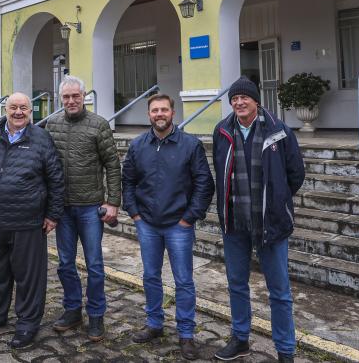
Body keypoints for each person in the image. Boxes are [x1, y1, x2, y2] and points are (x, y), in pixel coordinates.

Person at [211, 77, 305, 363]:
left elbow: (295, 174)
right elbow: (219, 170)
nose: (239, 102)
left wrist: (276, 202)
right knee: (236, 284)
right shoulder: (222, 130)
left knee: (279, 291)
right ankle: (240, 338)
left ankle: (285, 350)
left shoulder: (279, 131)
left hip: (271, 224)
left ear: (256, 101)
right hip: (235, 223)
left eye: (245, 98)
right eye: (235, 98)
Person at [0, 92, 65, 349]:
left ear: (30, 112)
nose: (18, 112)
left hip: (27, 222)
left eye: (24, 108)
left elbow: (56, 178)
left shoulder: (41, 139)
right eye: (14, 107)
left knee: (28, 277)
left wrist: (53, 214)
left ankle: (27, 323)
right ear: (5, 109)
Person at [122, 94, 214, 361]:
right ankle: (154, 324)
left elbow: (204, 184)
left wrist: (189, 217)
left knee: (183, 281)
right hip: (147, 224)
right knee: (151, 276)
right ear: (149, 114)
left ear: (173, 112)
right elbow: (127, 181)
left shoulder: (190, 145)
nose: (159, 114)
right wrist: (135, 213)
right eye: (154, 110)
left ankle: (186, 334)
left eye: (164, 109)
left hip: (179, 225)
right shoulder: (138, 145)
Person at [44, 76, 120, 341]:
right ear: (60, 99)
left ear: (84, 97)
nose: (71, 101)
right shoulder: (51, 124)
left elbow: (112, 164)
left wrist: (113, 202)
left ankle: (96, 315)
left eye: (76, 96)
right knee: (65, 263)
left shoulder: (98, 125)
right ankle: (73, 310)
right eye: (66, 97)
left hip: (90, 207)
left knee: (95, 264)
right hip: (62, 208)